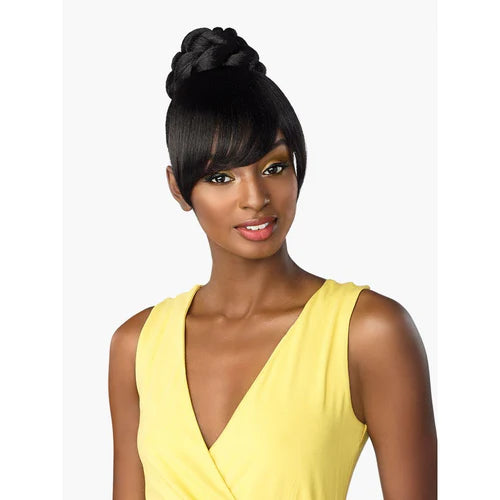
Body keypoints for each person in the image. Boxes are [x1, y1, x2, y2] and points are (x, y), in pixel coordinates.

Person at [108, 27, 437, 499]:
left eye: (274, 167)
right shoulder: (136, 346)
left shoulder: (368, 333)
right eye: (221, 177)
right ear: (178, 189)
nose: (255, 197)